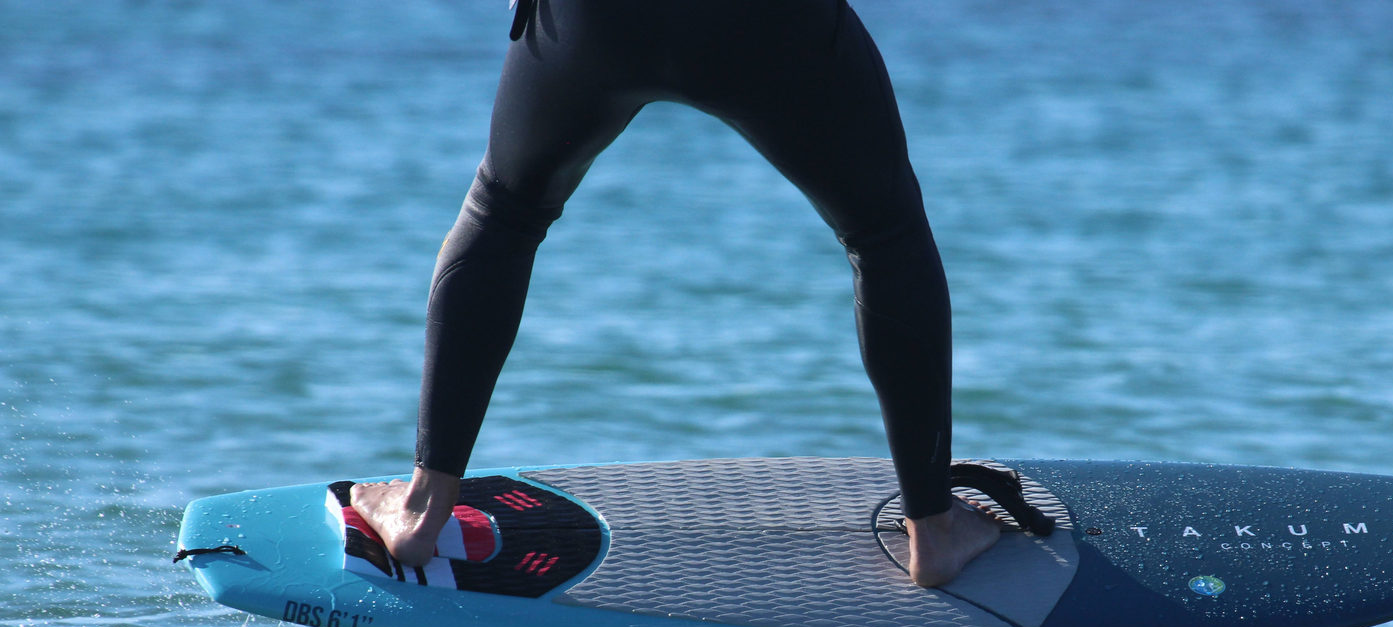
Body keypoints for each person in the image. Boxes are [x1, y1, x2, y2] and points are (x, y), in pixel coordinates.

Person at [352, 0, 1000, 587]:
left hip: (594, 21)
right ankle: (934, 532)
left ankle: (421, 510)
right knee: (885, 234)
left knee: (502, 211)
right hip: (760, 23)